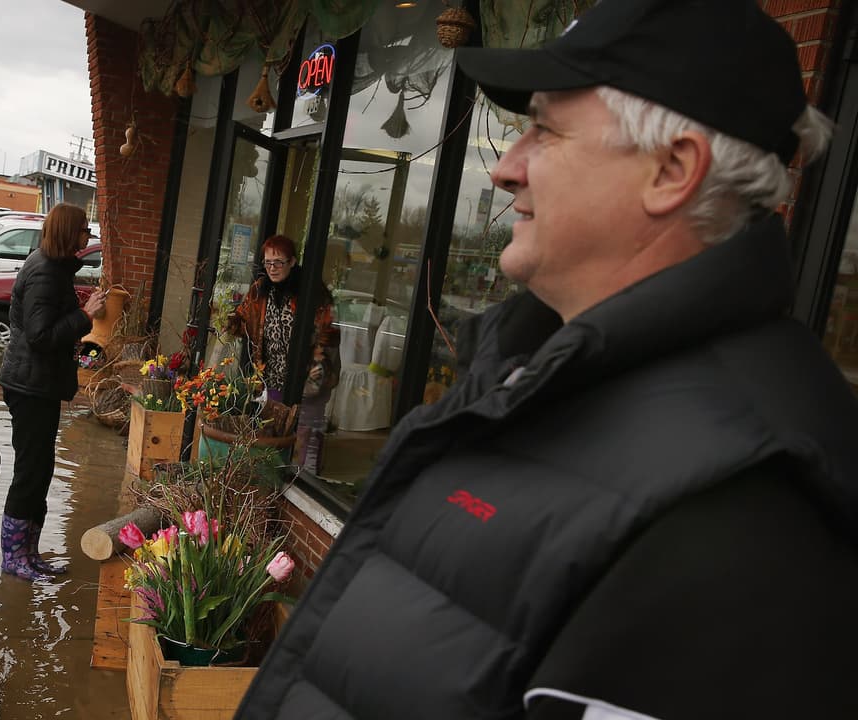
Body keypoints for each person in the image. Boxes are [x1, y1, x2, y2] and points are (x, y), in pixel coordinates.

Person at [238, 1, 858, 718]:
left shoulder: (746, 509)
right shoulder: (524, 380)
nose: (504, 170)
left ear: (673, 169)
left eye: (544, 130)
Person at [0, 202, 106, 581]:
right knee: (30, 470)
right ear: (67, 233)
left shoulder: (52, 267)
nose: (86, 238)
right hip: (29, 386)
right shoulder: (44, 271)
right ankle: (14, 558)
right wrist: (85, 315)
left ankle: (29, 552)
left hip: (37, 384)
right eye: (82, 232)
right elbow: (41, 336)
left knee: (40, 469)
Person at [226, 234, 339, 472]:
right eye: (268, 263)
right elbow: (243, 319)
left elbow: (329, 333)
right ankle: (272, 481)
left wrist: (320, 366)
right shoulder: (260, 291)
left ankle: (303, 480)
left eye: (279, 262)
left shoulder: (311, 292)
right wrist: (228, 319)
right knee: (273, 432)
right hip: (274, 375)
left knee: (306, 435)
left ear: (293, 261)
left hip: (308, 375)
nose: (273, 268)